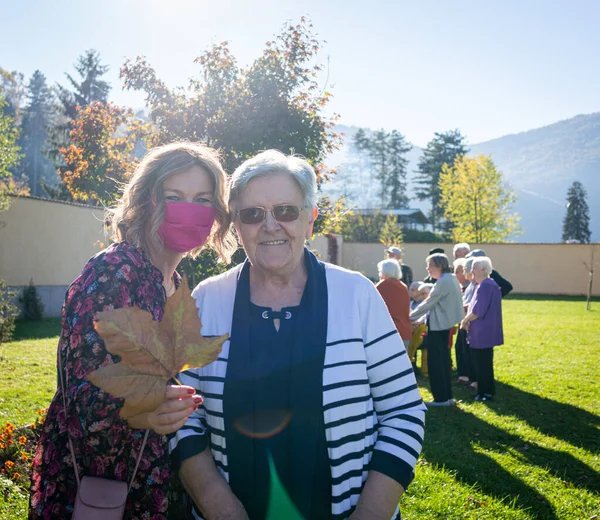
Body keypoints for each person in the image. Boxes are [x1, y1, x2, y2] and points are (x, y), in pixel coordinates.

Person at [171, 150, 426, 520]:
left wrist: (371, 513)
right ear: (237, 226)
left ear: (310, 219)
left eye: (286, 211)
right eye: (253, 214)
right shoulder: (207, 300)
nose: (270, 225)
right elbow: (182, 416)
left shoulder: (356, 295)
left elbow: (402, 410)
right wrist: (219, 506)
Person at [29, 142, 237, 519]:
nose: (189, 209)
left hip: (157, 485)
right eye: (174, 196)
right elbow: (81, 394)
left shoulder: (173, 282)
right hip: (105, 489)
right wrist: (143, 411)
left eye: (202, 199)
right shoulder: (115, 271)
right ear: (147, 201)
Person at [410, 253, 464, 407]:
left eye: (430, 265)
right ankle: (447, 397)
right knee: (443, 361)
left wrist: (409, 317)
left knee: (436, 363)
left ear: (440, 266)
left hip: (439, 327)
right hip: (444, 326)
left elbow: (428, 303)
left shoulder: (443, 282)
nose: (427, 269)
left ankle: (441, 399)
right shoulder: (451, 278)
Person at [460, 257, 504, 402]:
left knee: (482, 364)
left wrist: (465, 320)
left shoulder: (486, 285)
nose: (471, 271)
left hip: (483, 332)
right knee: (483, 363)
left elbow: (479, 310)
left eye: (474, 268)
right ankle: (485, 391)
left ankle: (486, 393)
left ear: (483, 269)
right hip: (482, 332)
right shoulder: (484, 285)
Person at [376, 259, 412, 350]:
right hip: (404, 331)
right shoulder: (404, 286)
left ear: (385, 272)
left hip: (387, 332)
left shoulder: (381, 286)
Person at [452, 258, 472, 385]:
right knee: (459, 347)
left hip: (469, 322)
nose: (455, 274)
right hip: (462, 321)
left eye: (458, 271)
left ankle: (467, 375)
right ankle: (463, 374)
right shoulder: (459, 287)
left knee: (465, 348)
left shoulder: (470, 286)